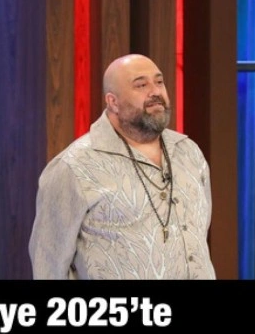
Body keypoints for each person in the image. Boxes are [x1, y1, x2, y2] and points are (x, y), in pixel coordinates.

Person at [29, 54, 215, 279]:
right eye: (141, 85)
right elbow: (49, 266)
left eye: (159, 81)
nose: (155, 91)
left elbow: (198, 232)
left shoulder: (189, 152)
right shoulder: (73, 167)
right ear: (113, 102)